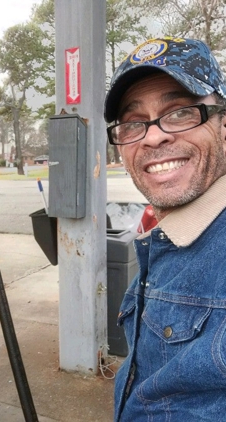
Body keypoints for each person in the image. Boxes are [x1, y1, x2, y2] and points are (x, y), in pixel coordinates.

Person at [104, 37, 226, 421]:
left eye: (179, 113)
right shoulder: (171, 236)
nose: (154, 136)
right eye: (133, 123)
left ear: (223, 125)